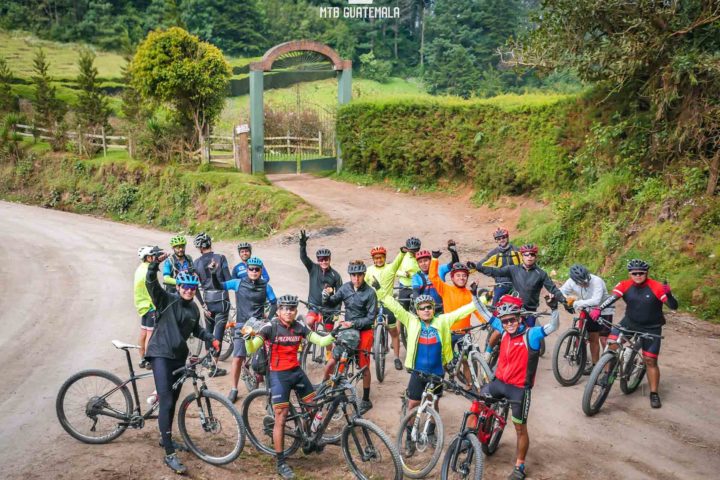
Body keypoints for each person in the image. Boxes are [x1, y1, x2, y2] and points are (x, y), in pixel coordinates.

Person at [379, 287, 481, 456]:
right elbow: (396, 307)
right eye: (422, 308)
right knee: (412, 404)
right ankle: (409, 437)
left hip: (437, 372)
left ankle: (432, 431)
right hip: (418, 372)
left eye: (429, 307)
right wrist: (380, 291)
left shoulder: (442, 321)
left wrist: (480, 300)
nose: (426, 310)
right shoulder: (411, 321)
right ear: (417, 311)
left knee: (434, 403)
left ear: (433, 309)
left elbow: (462, 312)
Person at [144, 251, 220, 475]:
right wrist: (153, 267)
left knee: (173, 400)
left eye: (192, 288)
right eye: (185, 287)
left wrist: (211, 338)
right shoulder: (167, 300)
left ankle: (164, 437)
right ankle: (169, 453)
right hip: (160, 354)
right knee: (166, 401)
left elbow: (196, 329)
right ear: (177, 287)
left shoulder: (193, 308)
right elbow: (152, 285)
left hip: (178, 357)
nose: (188, 291)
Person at [244, 295, 335, 480]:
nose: (288, 311)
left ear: (295, 311)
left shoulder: (299, 327)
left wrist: (336, 333)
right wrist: (247, 338)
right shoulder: (270, 327)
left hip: (296, 371)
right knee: (281, 416)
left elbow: (321, 341)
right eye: (285, 308)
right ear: (278, 310)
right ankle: (281, 462)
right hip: (278, 375)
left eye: (292, 309)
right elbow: (251, 349)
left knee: (314, 407)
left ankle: (309, 440)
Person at [474, 295, 560, 480]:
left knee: (520, 428)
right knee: (478, 401)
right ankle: (473, 437)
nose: (509, 324)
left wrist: (554, 309)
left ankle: (519, 466)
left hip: (519, 390)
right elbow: (485, 315)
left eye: (512, 320)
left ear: (519, 318)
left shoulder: (532, 334)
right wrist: (474, 296)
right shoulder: (503, 331)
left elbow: (553, 327)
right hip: (500, 383)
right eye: (505, 321)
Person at [590, 259, 678, 409]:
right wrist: (599, 308)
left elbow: (673, 307)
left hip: (652, 327)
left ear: (646, 273)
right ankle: (607, 373)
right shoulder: (624, 284)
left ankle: (654, 393)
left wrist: (668, 295)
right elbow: (612, 298)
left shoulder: (656, 286)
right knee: (611, 345)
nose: (637, 275)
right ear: (629, 273)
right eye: (634, 273)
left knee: (650, 361)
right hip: (629, 323)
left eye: (641, 273)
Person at [472, 243, 565, 358]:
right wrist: (478, 267)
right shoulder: (513, 269)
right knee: (498, 330)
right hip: (513, 309)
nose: (529, 257)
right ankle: (488, 352)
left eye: (532, 254)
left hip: (530, 311)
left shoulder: (541, 274)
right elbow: (495, 271)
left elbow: (553, 288)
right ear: (522, 256)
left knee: (527, 340)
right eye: (526, 254)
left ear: (536, 257)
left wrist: (564, 301)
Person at [210, 256, 277, 403]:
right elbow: (219, 286)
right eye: (251, 269)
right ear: (247, 270)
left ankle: (269, 383)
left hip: (258, 325)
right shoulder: (238, 283)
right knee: (238, 357)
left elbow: (274, 303)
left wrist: (268, 319)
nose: (253, 271)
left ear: (261, 271)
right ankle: (234, 389)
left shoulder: (266, 286)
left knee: (268, 352)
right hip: (242, 325)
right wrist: (214, 273)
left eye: (257, 269)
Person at [322, 260, 377, 412]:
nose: (356, 278)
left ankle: (366, 398)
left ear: (364, 275)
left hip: (364, 329)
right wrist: (326, 296)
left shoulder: (370, 293)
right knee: (333, 360)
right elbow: (333, 302)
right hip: (348, 329)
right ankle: (323, 388)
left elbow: (371, 318)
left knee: (363, 365)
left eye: (359, 275)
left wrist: (353, 324)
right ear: (350, 275)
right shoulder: (345, 288)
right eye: (353, 275)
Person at [559, 264, 614, 373]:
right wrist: (566, 300)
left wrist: (576, 302)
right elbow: (561, 291)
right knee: (593, 338)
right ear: (574, 281)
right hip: (588, 310)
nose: (585, 284)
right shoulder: (571, 281)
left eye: (586, 281)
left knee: (604, 339)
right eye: (581, 283)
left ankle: (609, 369)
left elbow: (596, 300)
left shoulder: (597, 281)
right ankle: (595, 366)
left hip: (604, 309)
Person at [192, 232, 230, 377]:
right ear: (210, 244)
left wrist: (202, 304)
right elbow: (228, 280)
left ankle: (208, 361)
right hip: (221, 301)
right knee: (218, 334)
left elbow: (194, 286)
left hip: (207, 302)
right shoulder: (220, 258)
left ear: (199, 248)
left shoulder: (196, 263)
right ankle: (213, 367)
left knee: (208, 332)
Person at [366, 246, 403, 370]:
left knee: (393, 332)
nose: (379, 260)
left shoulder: (390, 268)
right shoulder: (369, 270)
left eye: (381, 257)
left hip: (389, 304)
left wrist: (402, 252)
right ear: (373, 259)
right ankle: (376, 347)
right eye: (376, 258)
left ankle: (397, 358)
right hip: (374, 304)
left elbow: (398, 262)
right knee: (370, 329)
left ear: (385, 257)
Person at [298, 229, 343, 331]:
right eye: (321, 260)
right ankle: (304, 345)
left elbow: (339, 295)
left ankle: (328, 347)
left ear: (329, 259)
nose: (323, 262)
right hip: (314, 306)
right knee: (308, 323)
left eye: (326, 259)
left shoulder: (336, 275)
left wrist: (337, 311)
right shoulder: (313, 268)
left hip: (329, 309)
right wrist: (302, 244)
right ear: (318, 260)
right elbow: (303, 257)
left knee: (328, 336)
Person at [476, 227, 521, 304]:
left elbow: (528, 262)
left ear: (507, 237)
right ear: (496, 240)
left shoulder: (517, 250)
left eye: (503, 237)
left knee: (522, 304)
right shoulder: (494, 253)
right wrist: (473, 267)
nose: (501, 240)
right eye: (498, 238)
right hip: (501, 283)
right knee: (495, 305)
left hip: (516, 283)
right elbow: (481, 264)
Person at [135, 245, 160, 369]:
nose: (156, 258)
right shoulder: (148, 271)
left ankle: (142, 359)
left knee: (143, 332)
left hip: (142, 305)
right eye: (154, 256)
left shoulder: (140, 268)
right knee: (151, 333)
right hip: (150, 306)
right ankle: (149, 359)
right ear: (148, 257)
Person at [396, 237, 422, 310]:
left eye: (416, 250)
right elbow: (394, 271)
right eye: (411, 251)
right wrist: (404, 274)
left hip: (417, 286)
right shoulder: (402, 257)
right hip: (404, 285)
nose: (414, 252)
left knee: (419, 306)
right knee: (402, 309)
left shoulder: (421, 257)